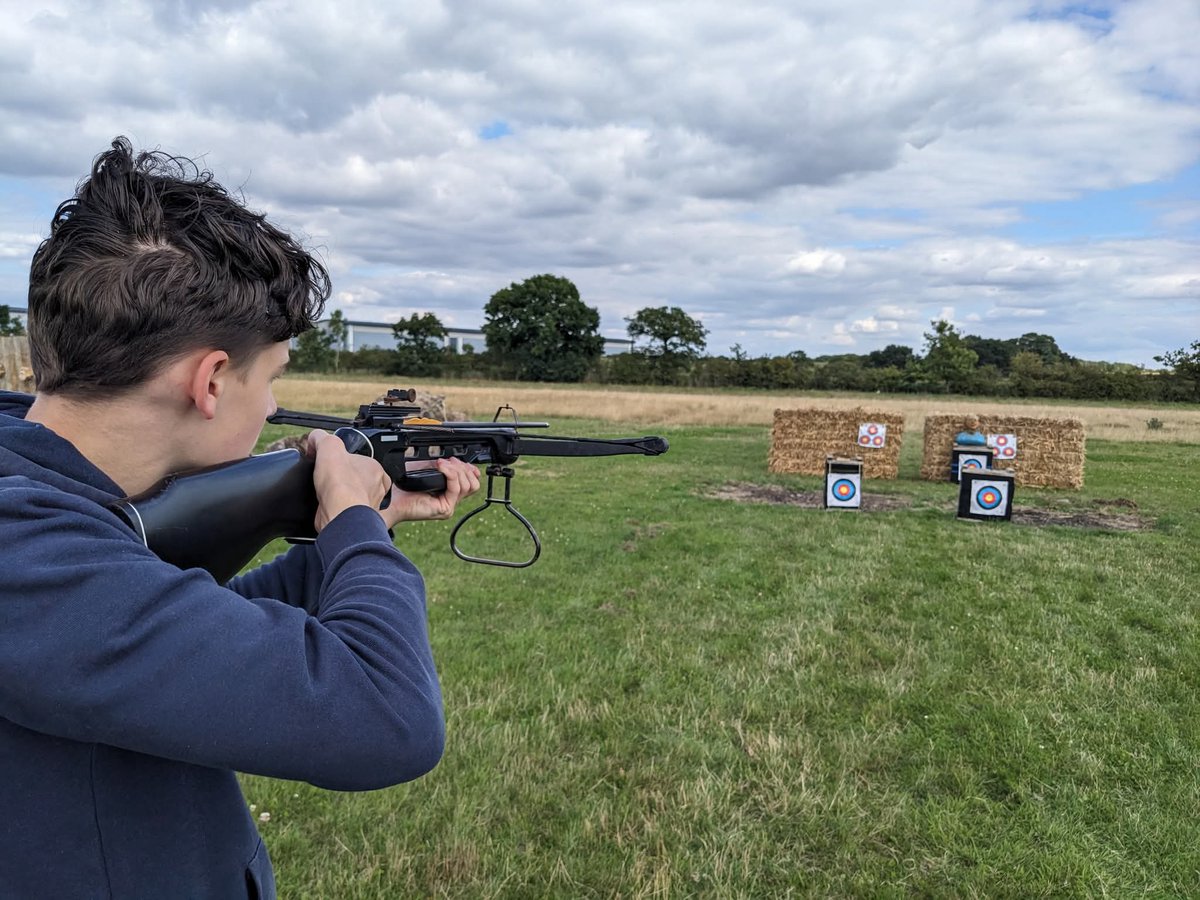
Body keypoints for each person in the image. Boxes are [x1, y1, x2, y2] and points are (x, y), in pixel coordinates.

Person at [0, 137, 480, 899]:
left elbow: (178, 631)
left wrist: (360, 530)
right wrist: (352, 520)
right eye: (276, 378)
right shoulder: (27, 556)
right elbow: (390, 721)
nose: (274, 407)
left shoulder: (46, 515)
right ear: (213, 381)